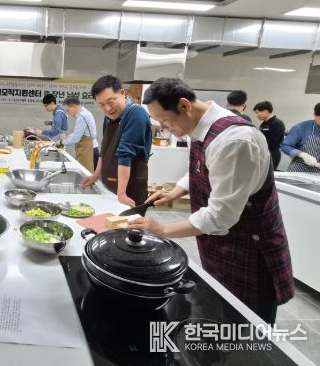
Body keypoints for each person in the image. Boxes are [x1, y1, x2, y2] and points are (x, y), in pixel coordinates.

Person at [130, 77, 294, 324]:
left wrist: (164, 230)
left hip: (249, 251)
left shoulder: (235, 141)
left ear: (184, 105)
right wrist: (176, 191)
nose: (163, 127)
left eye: (164, 120)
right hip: (221, 244)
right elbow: (203, 167)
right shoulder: (199, 126)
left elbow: (221, 215)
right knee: (222, 315)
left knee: (248, 328)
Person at [81, 75, 152, 206]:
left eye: (111, 102)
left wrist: (122, 193)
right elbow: (105, 148)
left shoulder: (135, 113)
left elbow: (125, 153)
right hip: (111, 187)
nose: (107, 109)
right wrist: (96, 175)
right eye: (102, 105)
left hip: (128, 190)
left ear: (122, 93)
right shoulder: (109, 116)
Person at [58, 97, 99, 172]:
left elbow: (76, 138)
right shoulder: (85, 113)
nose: (68, 113)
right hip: (91, 148)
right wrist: (68, 137)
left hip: (89, 150)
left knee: (85, 175)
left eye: (68, 110)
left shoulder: (82, 116)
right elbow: (78, 133)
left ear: (74, 106)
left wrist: (61, 142)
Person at [281, 102, 320, 172]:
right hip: (299, 170)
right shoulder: (301, 127)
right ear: (314, 115)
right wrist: (302, 154)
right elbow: (285, 146)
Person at [253, 101, 286, 169]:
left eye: (257, 112)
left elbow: (273, 142)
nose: (256, 115)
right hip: (263, 153)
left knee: (268, 174)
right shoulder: (264, 123)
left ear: (265, 111)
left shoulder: (277, 123)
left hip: (272, 154)